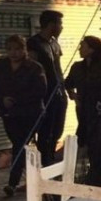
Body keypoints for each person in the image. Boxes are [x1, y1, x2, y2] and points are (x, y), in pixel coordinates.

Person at [0, 35, 47, 195]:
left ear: (24, 50)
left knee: (20, 145)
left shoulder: (34, 67)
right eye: (10, 49)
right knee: (19, 145)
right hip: (9, 114)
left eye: (18, 49)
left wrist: (17, 100)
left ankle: (12, 183)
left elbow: (40, 90)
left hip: (31, 113)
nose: (14, 53)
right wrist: (1, 100)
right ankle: (36, 176)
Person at [64, 36, 101, 186]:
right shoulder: (77, 67)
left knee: (100, 142)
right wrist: (72, 95)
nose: (80, 49)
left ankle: (100, 173)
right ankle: (92, 172)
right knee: (85, 139)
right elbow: (67, 83)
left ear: (92, 49)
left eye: (83, 46)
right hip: (83, 110)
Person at [27, 10, 65, 165]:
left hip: (58, 93)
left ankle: (51, 160)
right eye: (59, 23)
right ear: (51, 24)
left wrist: (65, 89)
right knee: (45, 132)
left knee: (57, 130)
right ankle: (44, 164)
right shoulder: (34, 43)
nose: (61, 27)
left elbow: (58, 67)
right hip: (44, 94)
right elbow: (31, 69)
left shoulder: (55, 43)